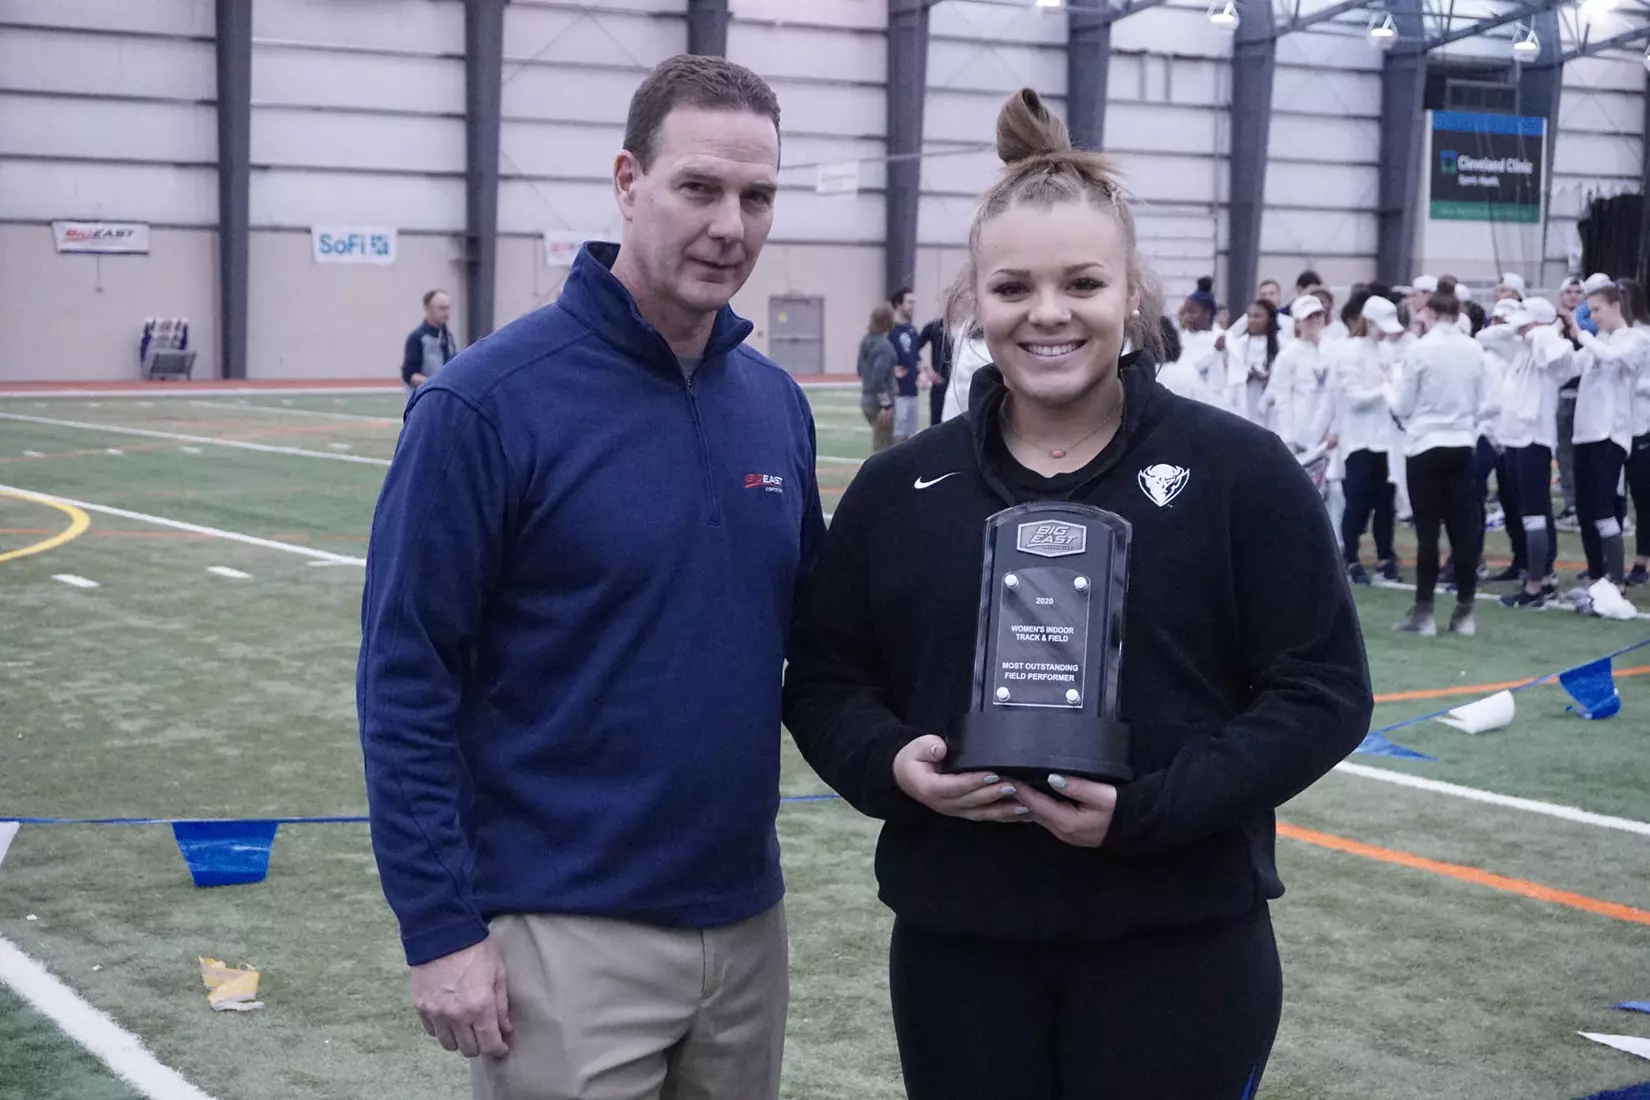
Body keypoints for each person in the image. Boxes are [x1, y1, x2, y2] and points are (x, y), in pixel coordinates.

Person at [782, 86, 1372, 1100]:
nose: (1047, 314)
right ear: (973, 300)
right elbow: (827, 677)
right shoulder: (899, 489)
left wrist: (1147, 810)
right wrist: (893, 765)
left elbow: (1321, 691)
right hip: (960, 944)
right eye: (1012, 287)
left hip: (1179, 941)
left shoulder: (1238, 470)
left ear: (1130, 291)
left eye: (1082, 283)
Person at [358, 55, 822, 1100]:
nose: (730, 226)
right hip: (563, 932)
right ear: (627, 183)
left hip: (747, 926)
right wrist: (440, 928)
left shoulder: (773, 406)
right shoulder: (484, 405)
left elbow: (827, 648)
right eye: (698, 187)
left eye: (758, 197)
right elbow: (405, 678)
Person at [1389, 292, 1493, 636]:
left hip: (1425, 445)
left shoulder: (1420, 349)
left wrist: (1389, 392)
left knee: (1427, 533)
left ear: (1430, 312)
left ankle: (1424, 613)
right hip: (1462, 443)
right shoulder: (1474, 349)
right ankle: (1465, 613)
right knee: (1463, 531)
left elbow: (1403, 404)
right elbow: (1486, 401)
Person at [1561, 282, 1647, 591]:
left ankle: (1616, 582)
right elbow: (1571, 365)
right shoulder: (1599, 340)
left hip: (1610, 434)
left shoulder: (1634, 339)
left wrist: (1579, 333)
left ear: (1616, 306)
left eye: (1596, 309)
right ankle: (1597, 578)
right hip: (1585, 433)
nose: (1592, 316)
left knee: (1602, 509)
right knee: (1585, 511)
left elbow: (1612, 358)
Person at [1497, 298, 1570, 608]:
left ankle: (1534, 586)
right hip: (1515, 438)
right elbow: (1489, 336)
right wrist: (1529, 331)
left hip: (1533, 438)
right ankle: (1546, 576)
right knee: (1530, 508)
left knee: (1534, 512)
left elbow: (1558, 356)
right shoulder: (1526, 345)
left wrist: (1548, 329)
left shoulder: (1545, 342)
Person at [1334, 292, 1403, 585]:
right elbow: (1355, 399)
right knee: (1358, 502)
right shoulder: (1350, 351)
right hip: (1359, 439)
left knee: (1385, 504)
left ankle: (1386, 557)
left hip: (1385, 439)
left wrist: (1391, 388)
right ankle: (1350, 558)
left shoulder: (1386, 351)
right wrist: (1384, 389)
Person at [1267, 295, 1334, 457]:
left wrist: (1335, 429)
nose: (1314, 320)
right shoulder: (1288, 356)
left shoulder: (1334, 349)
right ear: (1297, 321)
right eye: (1308, 317)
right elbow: (1282, 399)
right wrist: (1288, 440)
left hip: (1329, 436)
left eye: (1318, 315)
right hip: (1301, 434)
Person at [1158, 278, 1225, 408]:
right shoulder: (1182, 337)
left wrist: (1215, 352)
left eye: (1192, 312)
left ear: (1207, 313)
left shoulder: (1221, 338)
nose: (1187, 317)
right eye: (1185, 312)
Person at [1225, 298, 1281, 424]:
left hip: (1269, 405)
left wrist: (1265, 376)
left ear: (1269, 318)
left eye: (1257, 316)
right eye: (1249, 316)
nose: (1252, 320)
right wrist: (1247, 374)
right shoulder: (1240, 344)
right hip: (1245, 398)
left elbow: (1280, 377)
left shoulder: (1280, 343)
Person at [403, 289, 456, 395]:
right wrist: (436, 384)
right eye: (442, 308)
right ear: (428, 309)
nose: (446, 312)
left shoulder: (448, 336)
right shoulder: (417, 337)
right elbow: (409, 375)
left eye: (448, 308)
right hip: (423, 399)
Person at [861, 303, 899, 452]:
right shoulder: (885, 346)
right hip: (879, 404)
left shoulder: (866, 342)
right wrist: (886, 404)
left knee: (888, 445)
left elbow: (862, 369)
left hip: (866, 399)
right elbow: (878, 377)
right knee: (882, 448)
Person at [890, 287, 922, 442]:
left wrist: (923, 372)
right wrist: (891, 371)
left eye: (914, 303)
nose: (913, 306)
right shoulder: (889, 331)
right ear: (898, 305)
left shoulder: (912, 330)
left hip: (912, 389)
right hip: (896, 392)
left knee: (911, 434)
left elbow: (915, 356)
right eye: (910, 302)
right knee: (898, 432)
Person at [918, 315, 955, 427]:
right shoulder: (934, 326)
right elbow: (913, 349)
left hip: (960, 386)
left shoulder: (969, 327)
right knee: (936, 426)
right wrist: (927, 370)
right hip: (940, 384)